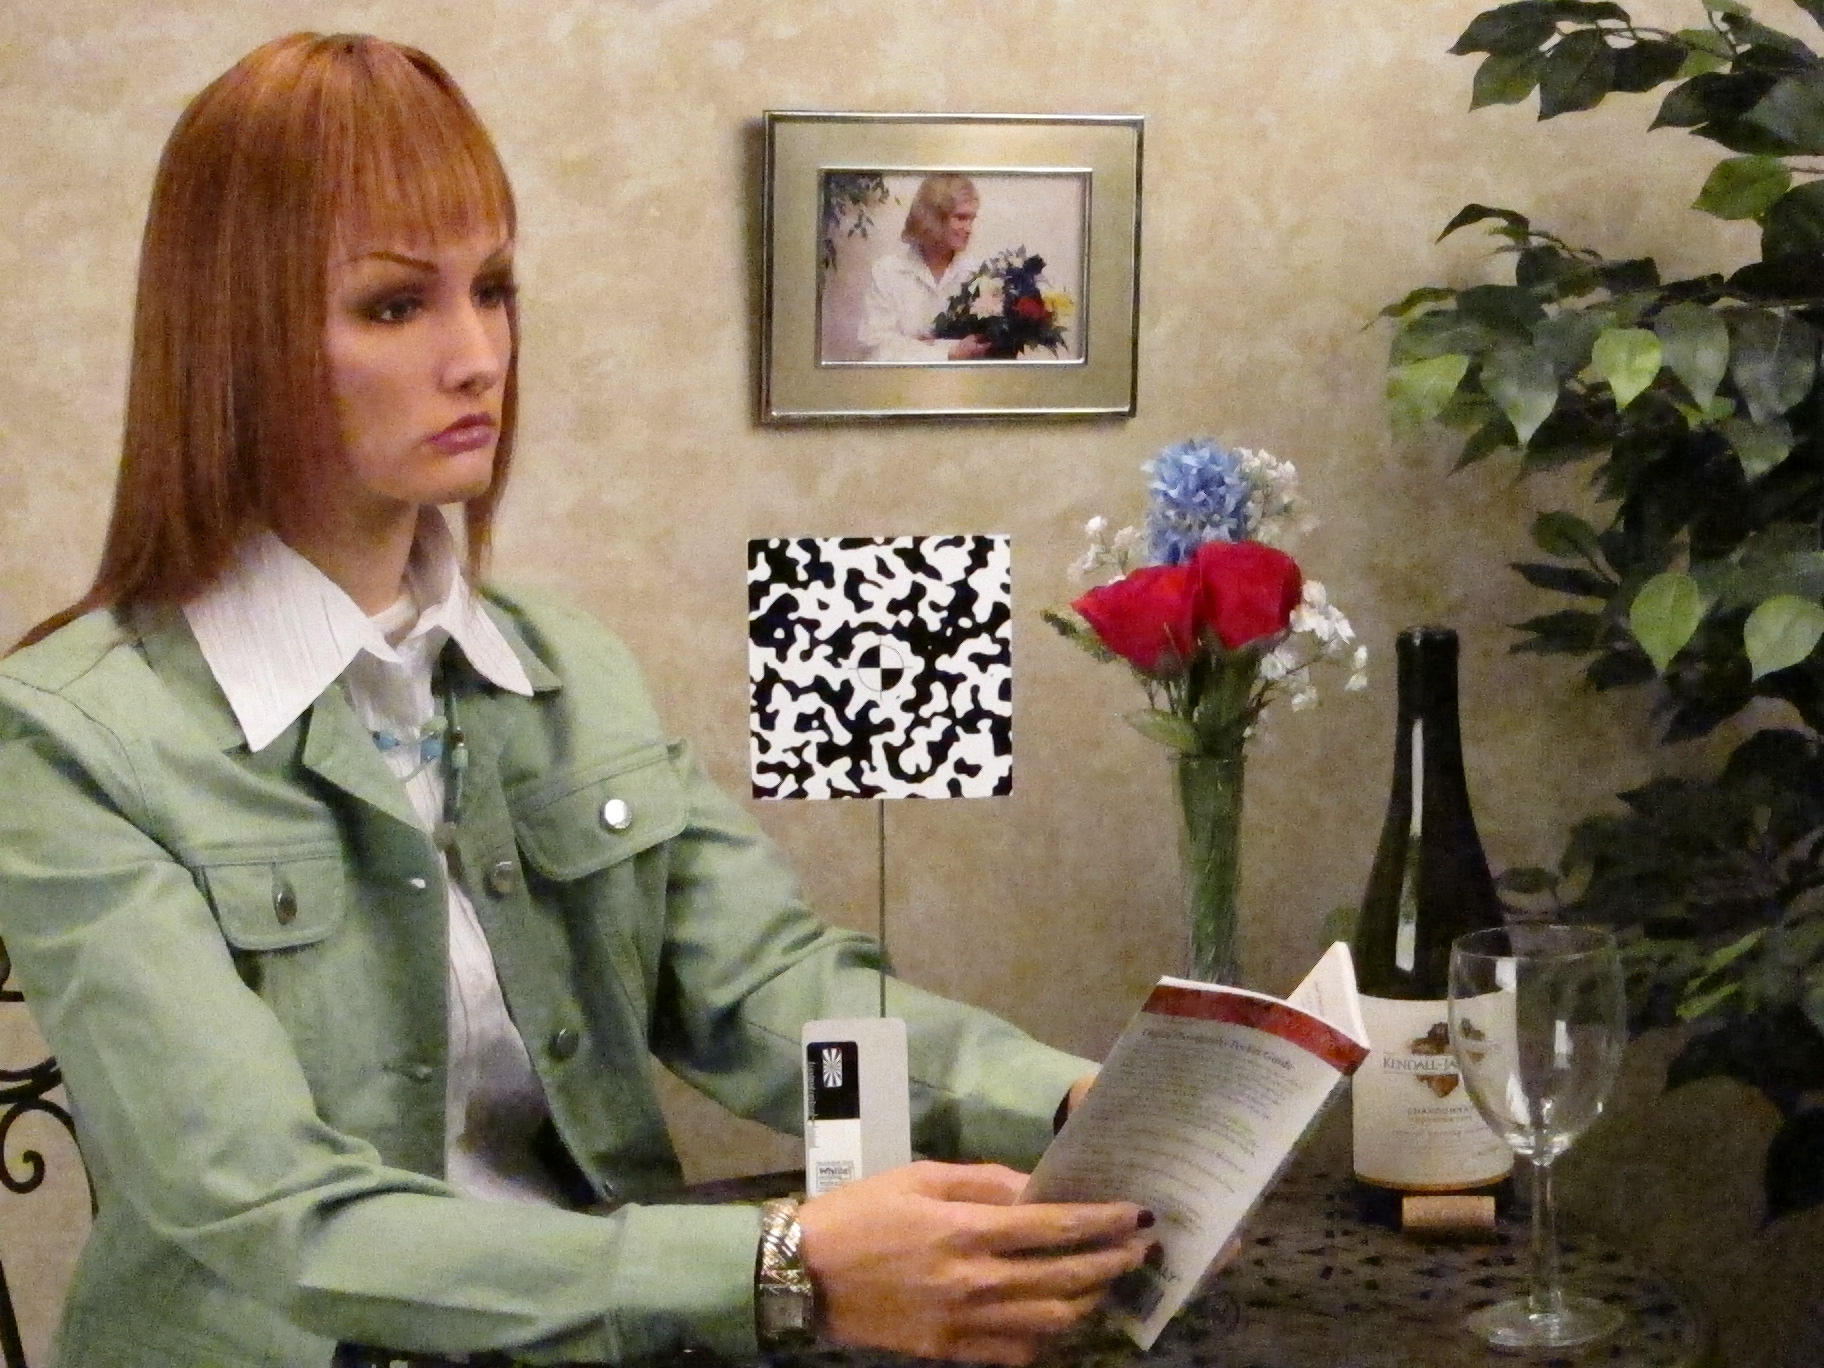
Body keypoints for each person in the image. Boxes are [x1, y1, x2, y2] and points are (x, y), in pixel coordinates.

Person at [0, 34, 1153, 1368]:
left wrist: (1075, 1104)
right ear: (235, 341)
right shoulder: (69, 740)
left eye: (492, 290)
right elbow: (273, 1214)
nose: (477, 355)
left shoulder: (561, 663)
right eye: (395, 306)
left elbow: (766, 988)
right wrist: (782, 1269)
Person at [856, 174, 995, 363]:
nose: (969, 228)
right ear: (933, 217)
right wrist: (949, 353)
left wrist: (918, 346)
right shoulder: (888, 272)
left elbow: (987, 346)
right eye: (961, 218)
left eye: (972, 219)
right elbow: (875, 350)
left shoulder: (978, 274)